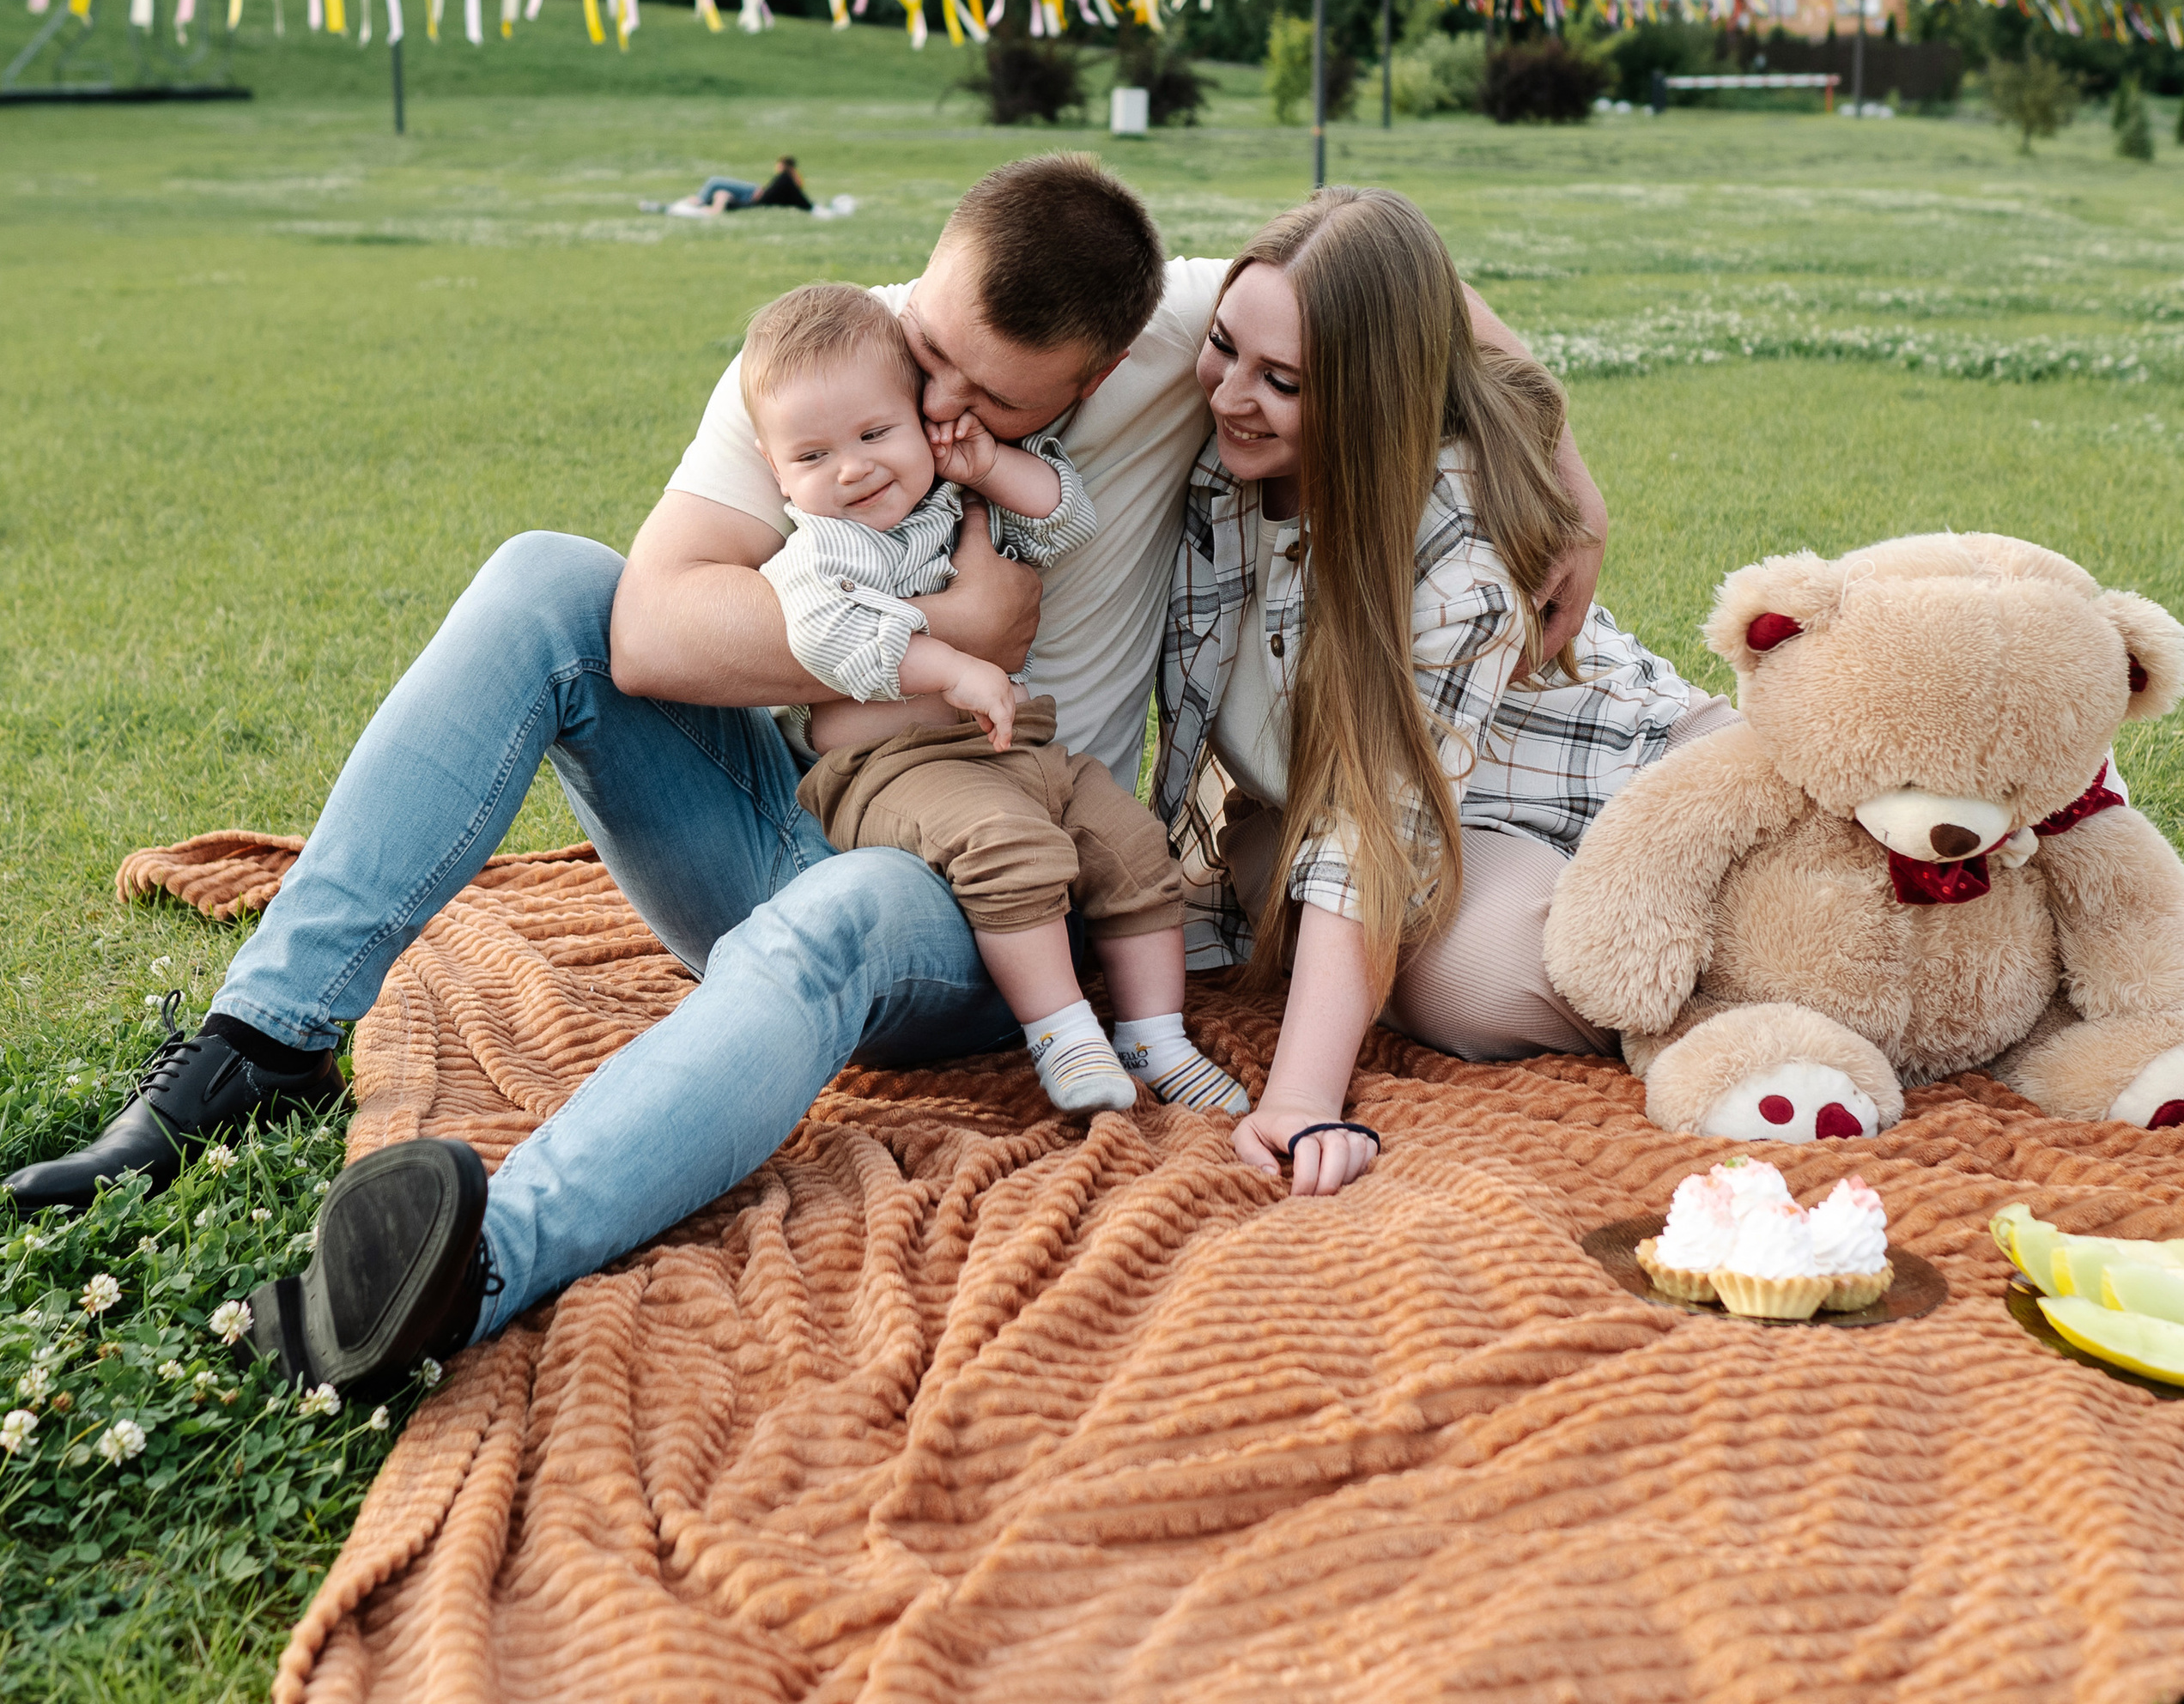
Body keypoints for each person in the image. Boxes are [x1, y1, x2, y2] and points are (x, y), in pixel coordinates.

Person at [3, 155, 1608, 1398]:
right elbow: (649, 629)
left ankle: (475, 1261)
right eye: (932, 358)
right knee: (543, 578)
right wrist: (942, 632)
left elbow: (1406, 293)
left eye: (990, 405)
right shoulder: (829, 354)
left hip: (982, 890)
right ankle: (258, 1045)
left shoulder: (1182, 338)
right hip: (777, 816)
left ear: (1108, 371)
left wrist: (1565, 475)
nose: (931, 414)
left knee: (845, 911)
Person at [1150, 186, 1735, 1198]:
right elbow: (1400, 278)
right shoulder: (1225, 461)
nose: (1228, 395)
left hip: (1625, 786)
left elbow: (1375, 826)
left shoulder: (1458, 557)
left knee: (1474, 977)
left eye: (1280, 381)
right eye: (1222, 348)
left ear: (1373, 392)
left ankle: (1745, 983)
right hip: (1437, 820)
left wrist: (1299, 1097)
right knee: (1269, 875)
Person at [744, 281, 1245, 1119]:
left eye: (875, 434)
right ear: (777, 473)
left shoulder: (953, 505)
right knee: (1007, 844)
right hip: (891, 769)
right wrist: (951, 666)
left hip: (1021, 746)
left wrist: (989, 468)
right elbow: (827, 636)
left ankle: (1156, 1039)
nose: (853, 468)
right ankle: (1062, 1035)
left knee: (1132, 845)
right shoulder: (821, 551)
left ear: (921, 422)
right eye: (813, 456)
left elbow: (1064, 521)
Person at [644, 156, 838, 219]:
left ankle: (696, 199)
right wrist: (720, 199)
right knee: (715, 184)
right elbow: (714, 212)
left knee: (714, 182)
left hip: (749, 198)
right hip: (751, 198)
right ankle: (812, 207)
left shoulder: (682, 208)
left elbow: (713, 211)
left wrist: (707, 200)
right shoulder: (684, 210)